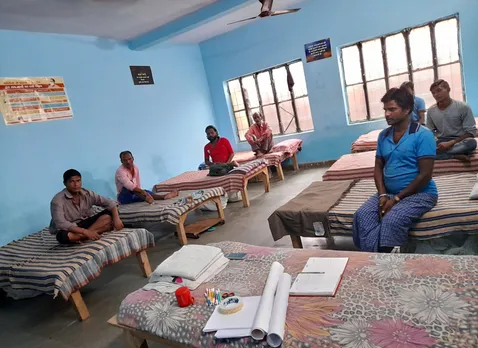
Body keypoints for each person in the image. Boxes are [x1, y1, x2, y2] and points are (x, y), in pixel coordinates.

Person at [352, 87, 438, 252]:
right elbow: (378, 166)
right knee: (362, 215)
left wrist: (397, 199)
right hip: (390, 193)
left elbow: (425, 175)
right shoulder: (383, 135)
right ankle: (373, 258)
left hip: (420, 194)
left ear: (407, 110)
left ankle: (386, 261)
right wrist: (383, 194)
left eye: (392, 109)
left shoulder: (422, 135)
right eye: (385, 110)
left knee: (392, 220)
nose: (387, 114)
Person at [50, 169, 124, 244]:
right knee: (62, 236)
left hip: (85, 223)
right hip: (72, 227)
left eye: (78, 181)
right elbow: (61, 223)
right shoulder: (57, 200)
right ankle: (91, 233)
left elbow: (109, 202)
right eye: (72, 181)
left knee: (109, 214)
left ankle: (80, 237)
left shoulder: (87, 193)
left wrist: (117, 219)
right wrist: (85, 232)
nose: (76, 184)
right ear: (65, 183)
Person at [426, 79, 477, 162]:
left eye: (439, 91)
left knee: (472, 143)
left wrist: (450, 143)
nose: (436, 94)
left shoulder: (463, 107)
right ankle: (454, 155)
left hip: (460, 140)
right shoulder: (431, 111)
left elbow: (471, 133)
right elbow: (430, 132)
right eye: (433, 93)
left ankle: (441, 154)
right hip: (441, 142)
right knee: (420, 150)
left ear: (448, 90)